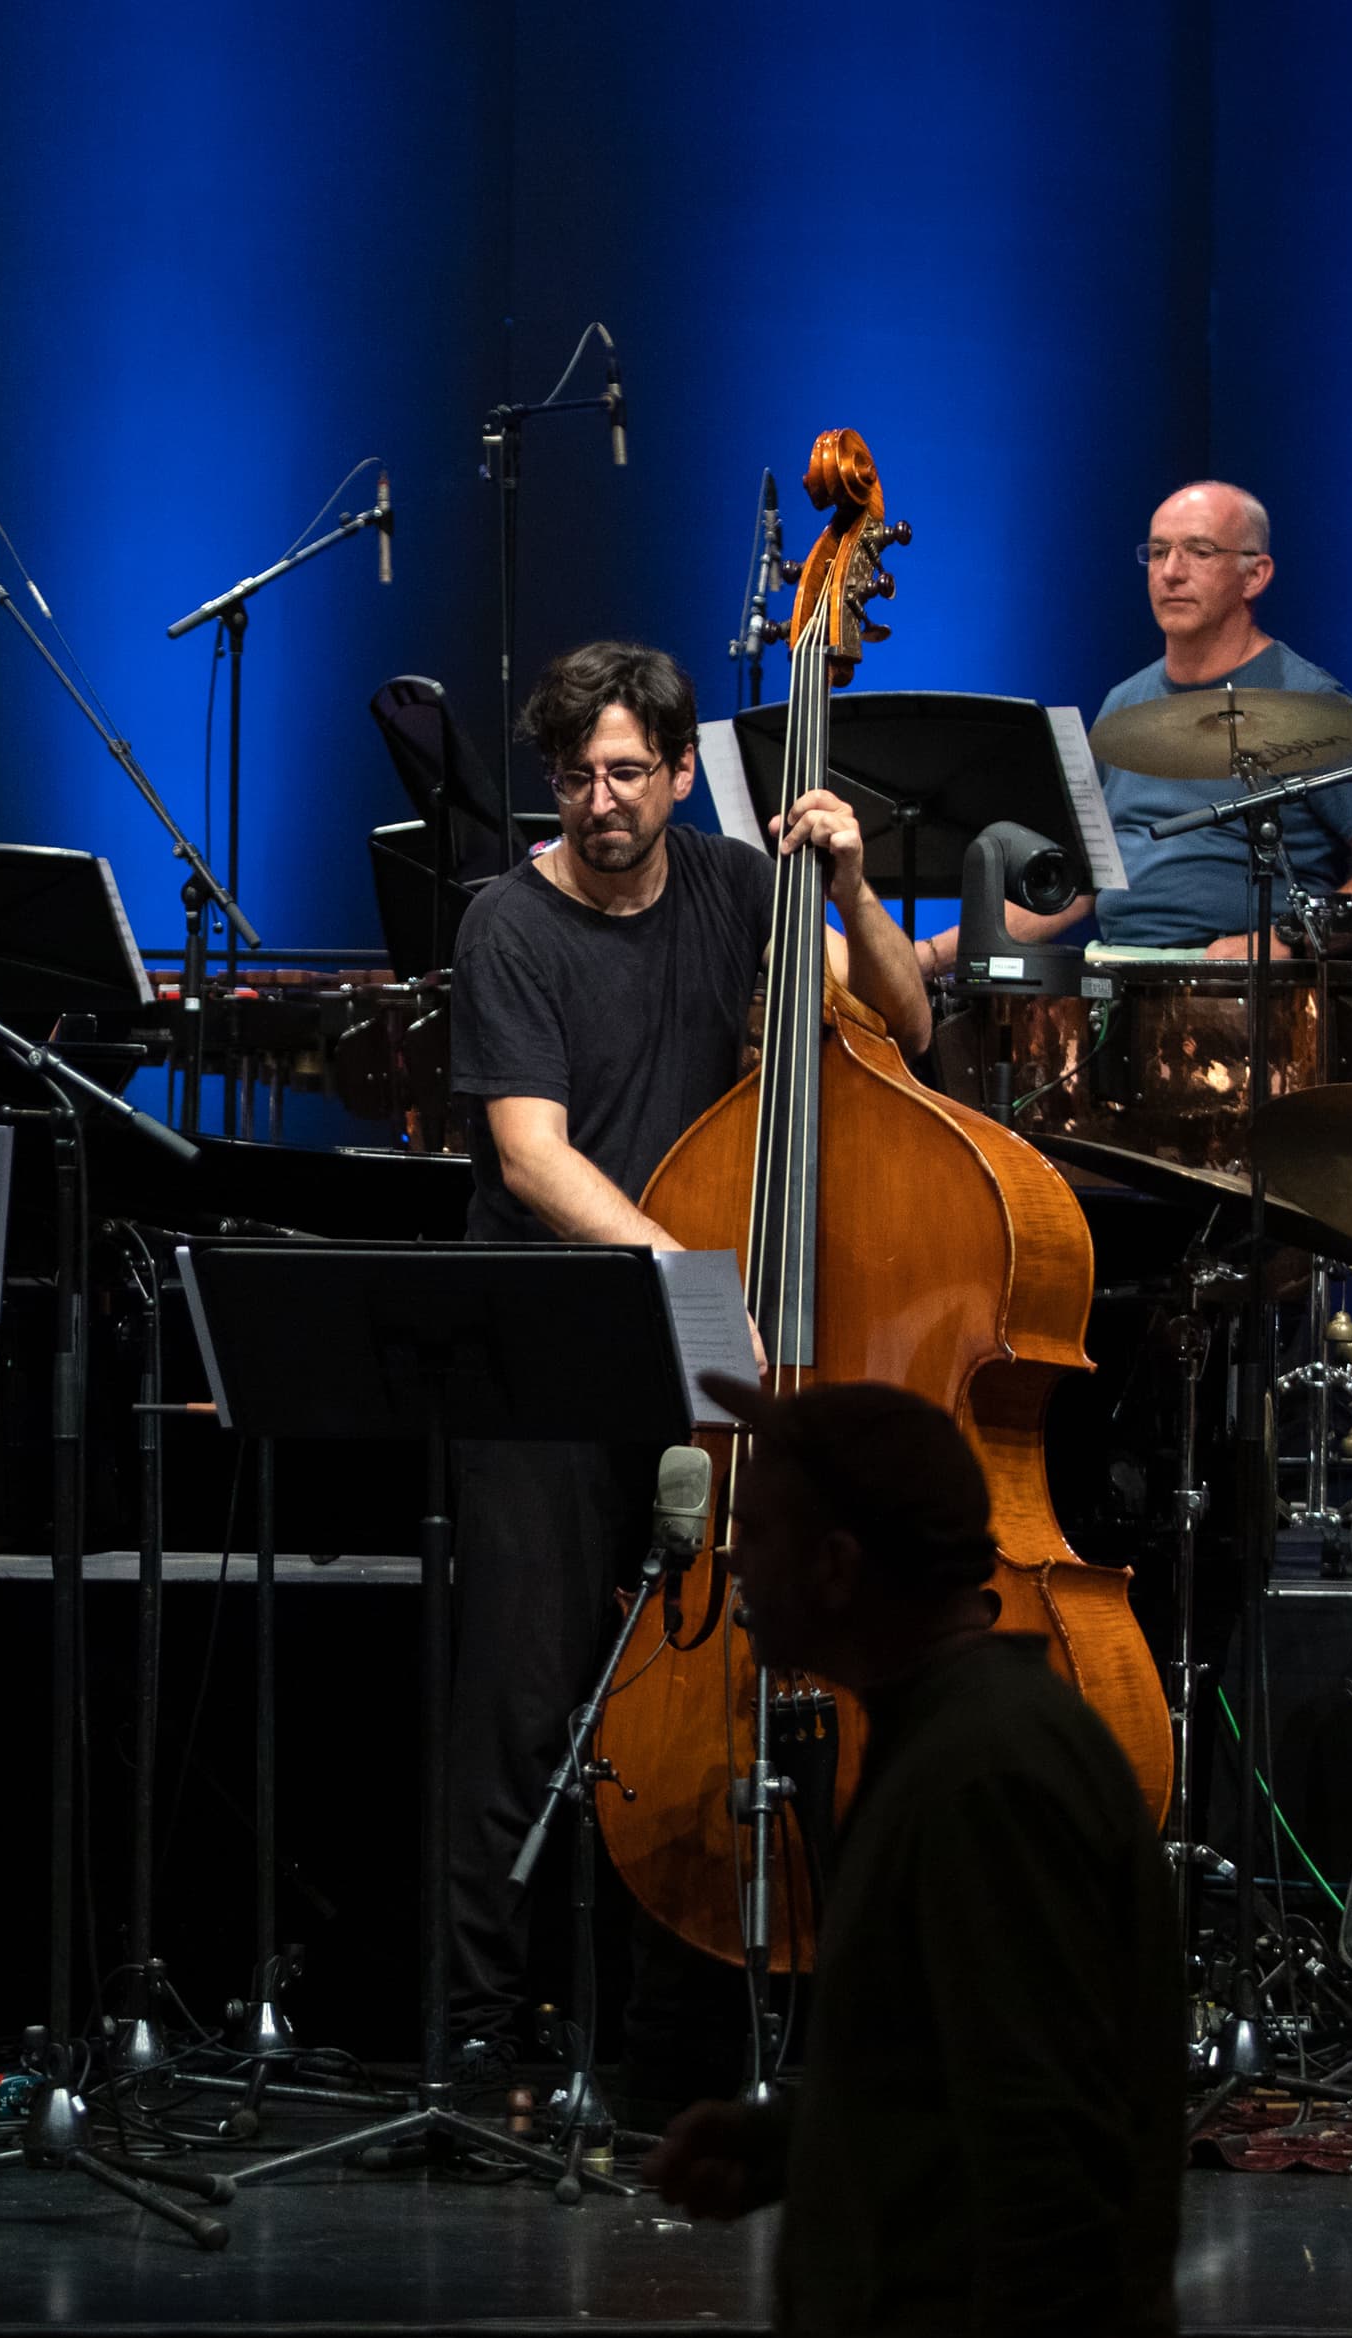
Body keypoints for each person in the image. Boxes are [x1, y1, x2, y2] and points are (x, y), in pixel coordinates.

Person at [439, 638, 929, 2094]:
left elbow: (902, 1025)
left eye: (630, 773)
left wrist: (847, 884)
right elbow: (532, 1158)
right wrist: (684, 1274)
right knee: (524, 1693)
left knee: (708, 1684)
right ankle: (475, 2023)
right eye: (579, 777)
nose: (603, 802)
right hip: (551, 1338)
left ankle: (671, 2016)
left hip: (691, 1326)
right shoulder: (506, 927)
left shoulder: (735, 887)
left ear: (676, 774)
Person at [646, 1374, 1182, 2338]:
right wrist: (795, 2146)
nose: (735, 1567)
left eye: (761, 1539)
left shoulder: (984, 1777)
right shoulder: (949, 1736)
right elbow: (959, 2081)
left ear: (837, 1566)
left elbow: (1055, 2164)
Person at [916, 480, 1352, 973]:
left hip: (1244, 990)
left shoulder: (1306, 701)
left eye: (1200, 552)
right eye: (1158, 551)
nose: (1171, 571)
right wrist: (929, 956)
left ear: (1254, 574)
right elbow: (1079, 886)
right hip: (1118, 976)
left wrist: (1283, 940)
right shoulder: (1124, 703)